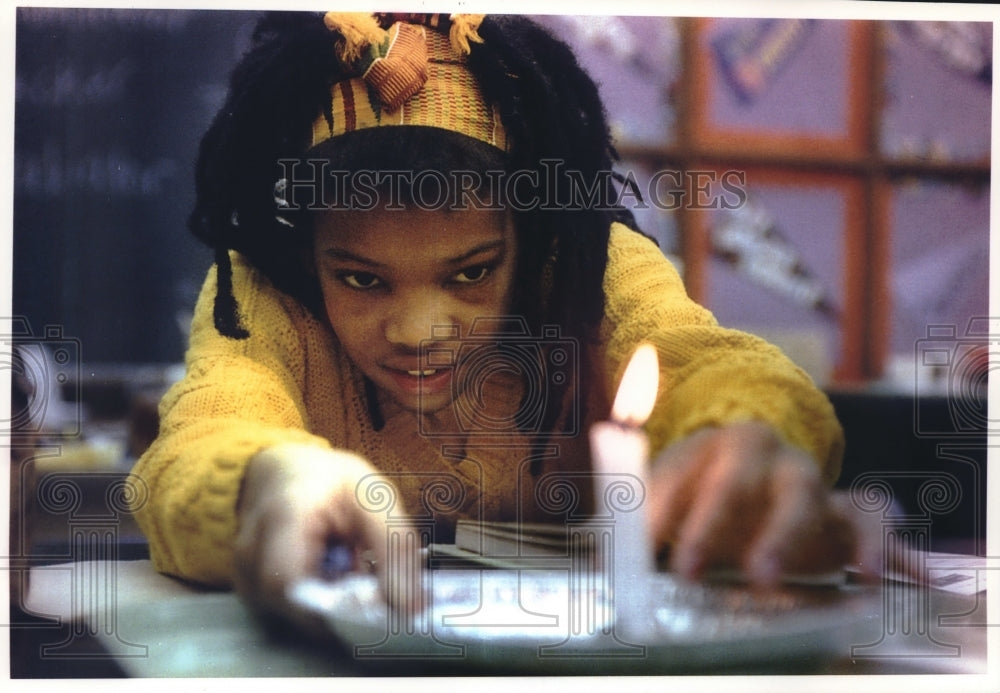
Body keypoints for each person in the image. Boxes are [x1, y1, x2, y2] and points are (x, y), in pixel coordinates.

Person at [129, 11, 874, 630]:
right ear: (305, 252)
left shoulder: (588, 267)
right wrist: (262, 479)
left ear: (534, 234)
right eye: (360, 278)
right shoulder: (267, 292)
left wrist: (743, 430)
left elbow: (704, 358)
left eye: (472, 271)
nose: (420, 330)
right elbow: (202, 432)